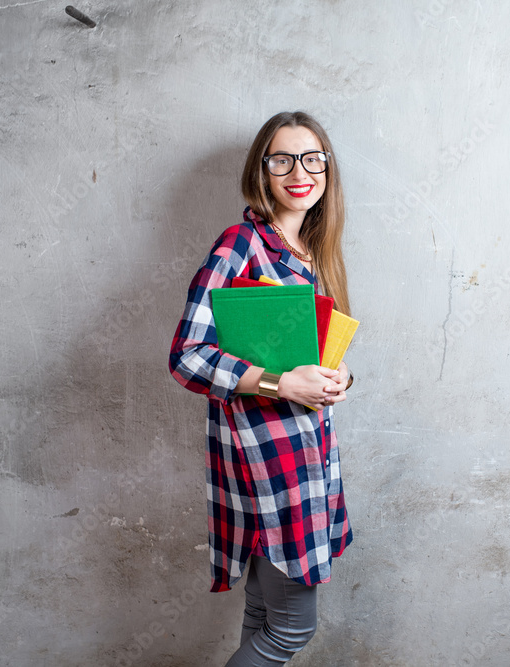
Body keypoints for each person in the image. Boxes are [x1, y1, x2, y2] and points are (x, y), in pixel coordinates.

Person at [168, 111, 354, 666]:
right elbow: (187, 357)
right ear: (262, 170)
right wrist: (280, 383)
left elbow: (308, 355)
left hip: (303, 454)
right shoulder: (241, 244)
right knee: (291, 631)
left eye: (312, 158)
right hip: (268, 462)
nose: (300, 171)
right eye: (282, 159)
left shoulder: (311, 248)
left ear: (327, 168)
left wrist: (336, 376)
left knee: (263, 616)